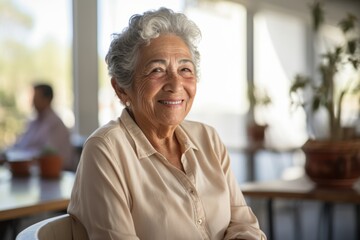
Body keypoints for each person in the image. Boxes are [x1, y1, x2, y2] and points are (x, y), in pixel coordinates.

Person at [68, 7, 267, 240]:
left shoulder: (208, 138)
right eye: (157, 70)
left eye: (185, 69)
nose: (176, 84)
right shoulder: (106, 150)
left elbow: (245, 225)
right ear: (121, 89)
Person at [2, 83, 73, 170]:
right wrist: (5, 153)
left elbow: (48, 155)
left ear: (48, 99)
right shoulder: (34, 122)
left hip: (50, 175)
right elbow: (21, 145)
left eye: (36, 97)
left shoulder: (56, 124)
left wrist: (21, 157)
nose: (33, 101)